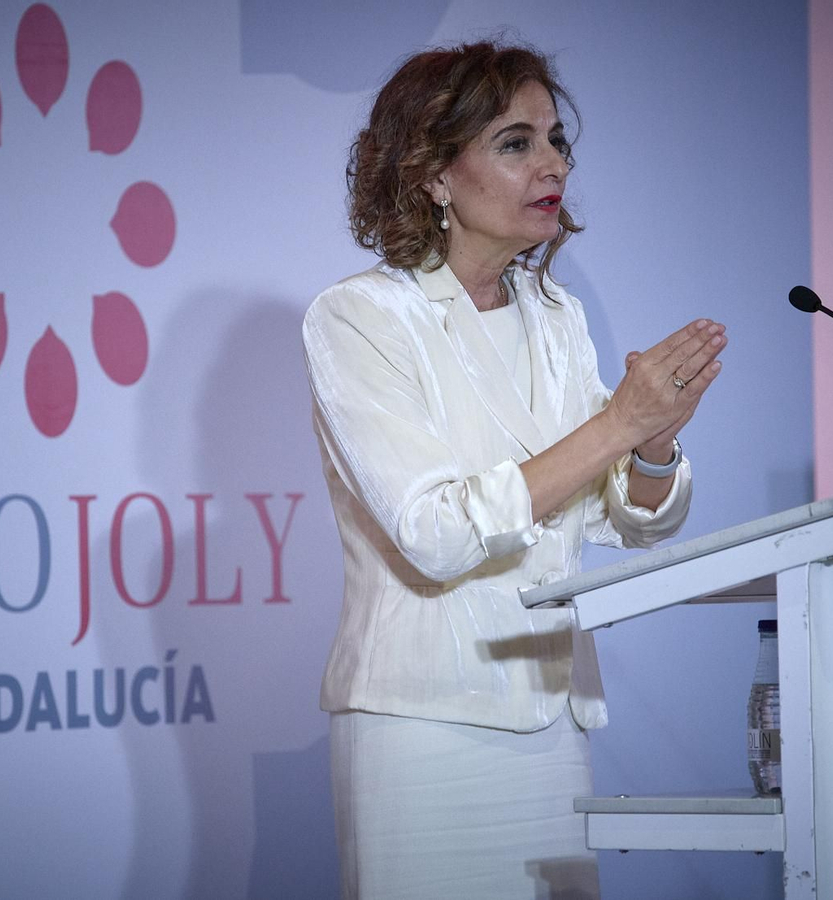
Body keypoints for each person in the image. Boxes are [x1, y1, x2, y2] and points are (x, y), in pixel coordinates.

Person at [302, 40, 726, 899]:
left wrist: (651, 444)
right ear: (432, 174)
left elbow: (626, 517)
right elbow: (436, 535)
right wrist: (617, 425)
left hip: (553, 719)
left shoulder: (556, 316)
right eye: (515, 141)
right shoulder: (361, 318)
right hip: (425, 726)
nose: (552, 164)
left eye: (557, 139)